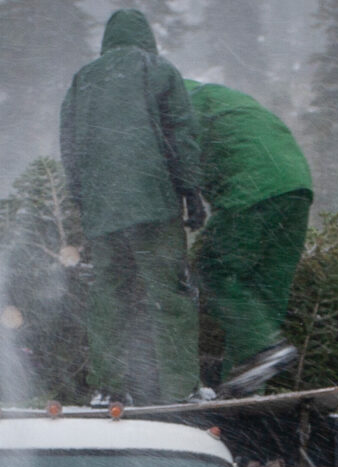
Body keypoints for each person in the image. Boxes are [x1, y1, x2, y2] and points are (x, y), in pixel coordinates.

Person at [60, 8, 202, 405]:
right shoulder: (157, 69)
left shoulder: (83, 79)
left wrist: (83, 199)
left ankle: (107, 388)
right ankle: (182, 389)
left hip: (104, 212)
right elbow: (181, 133)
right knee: (169, 295)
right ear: (146, 37)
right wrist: (191, 192)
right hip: (153, 202)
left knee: (108, 296)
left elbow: (69, 146)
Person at [183, 80, 311, 396]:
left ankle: (263, 350)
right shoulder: (216, 98)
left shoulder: (179, 105)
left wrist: (187, 198)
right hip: (296, 183)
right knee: (263, 291)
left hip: (253, 186)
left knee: (215, 271)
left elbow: (178, 160)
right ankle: (247, 384)